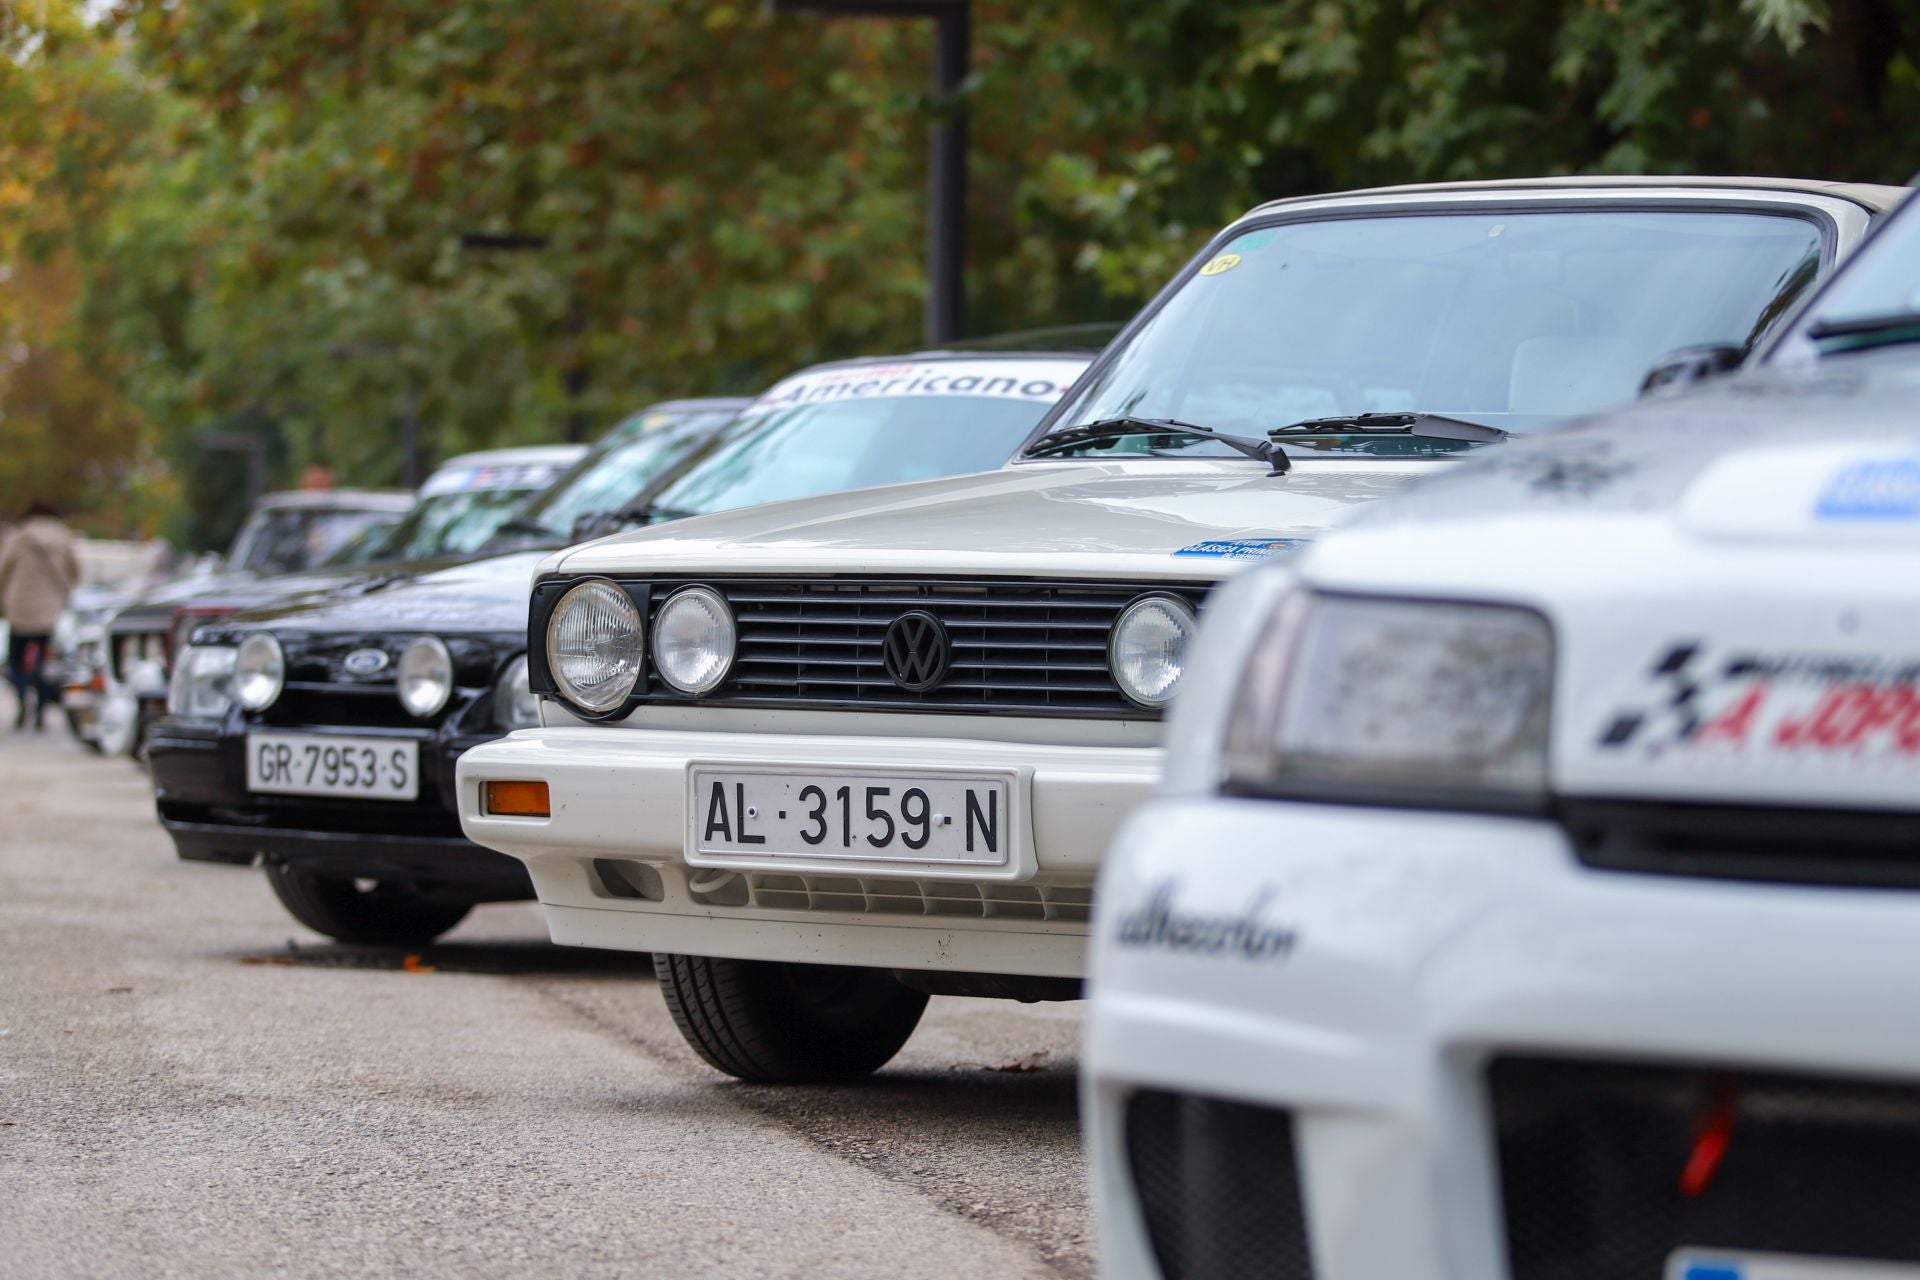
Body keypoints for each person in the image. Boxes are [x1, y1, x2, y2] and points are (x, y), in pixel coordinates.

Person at [0, 501, 80, 730]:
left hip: (19, 607)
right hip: (49, 610)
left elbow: (2, 570)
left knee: (14, 660)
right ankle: (41, 704)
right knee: (44, 663)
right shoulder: (63, 537)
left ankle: (24, 692)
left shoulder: (19, 536)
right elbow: (75, 572)